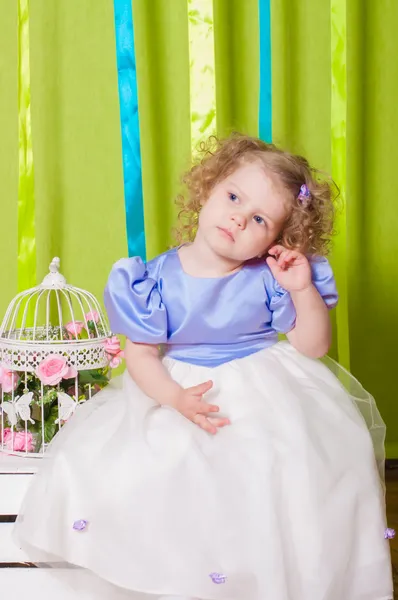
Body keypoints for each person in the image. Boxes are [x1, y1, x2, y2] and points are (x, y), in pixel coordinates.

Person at [15, 135, 393, 600]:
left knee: (278, 472)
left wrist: (301, 290)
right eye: (233, 197)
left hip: (264, 389)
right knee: (155, 470)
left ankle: (266, 580)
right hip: (177, 388)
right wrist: (173, 397)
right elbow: (140, 354)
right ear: (207, 190)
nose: (238, 217)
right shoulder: (154, 278)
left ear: (277, 238)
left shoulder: (273, 278)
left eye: (259, 219)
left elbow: (313, 347)